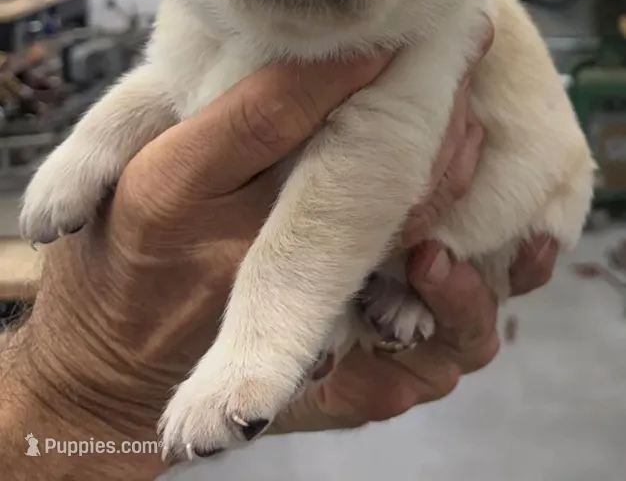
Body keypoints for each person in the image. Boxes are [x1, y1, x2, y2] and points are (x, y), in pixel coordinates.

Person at [0, 35, 557, 480]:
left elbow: (366, 162)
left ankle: (389, 295)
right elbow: (178, 79)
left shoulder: (424, 24)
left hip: (484, 221)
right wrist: (86, 393)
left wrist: (264, 342)